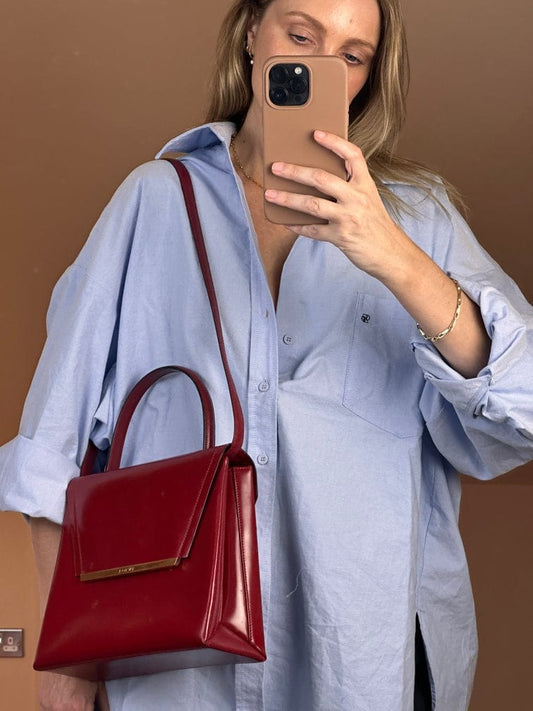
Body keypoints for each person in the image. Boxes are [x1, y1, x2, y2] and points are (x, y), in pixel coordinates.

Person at [1, 0, 532, 709]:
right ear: (253, 34)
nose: (320, 66)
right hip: (178, 672)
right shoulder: (153, 204)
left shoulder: (415, 217)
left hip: (360, 659)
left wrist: (391, 255)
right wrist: (65, 661)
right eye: (301, 34)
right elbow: (50, 449)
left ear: (369, 77)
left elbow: (522, 408)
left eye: (351, 56)